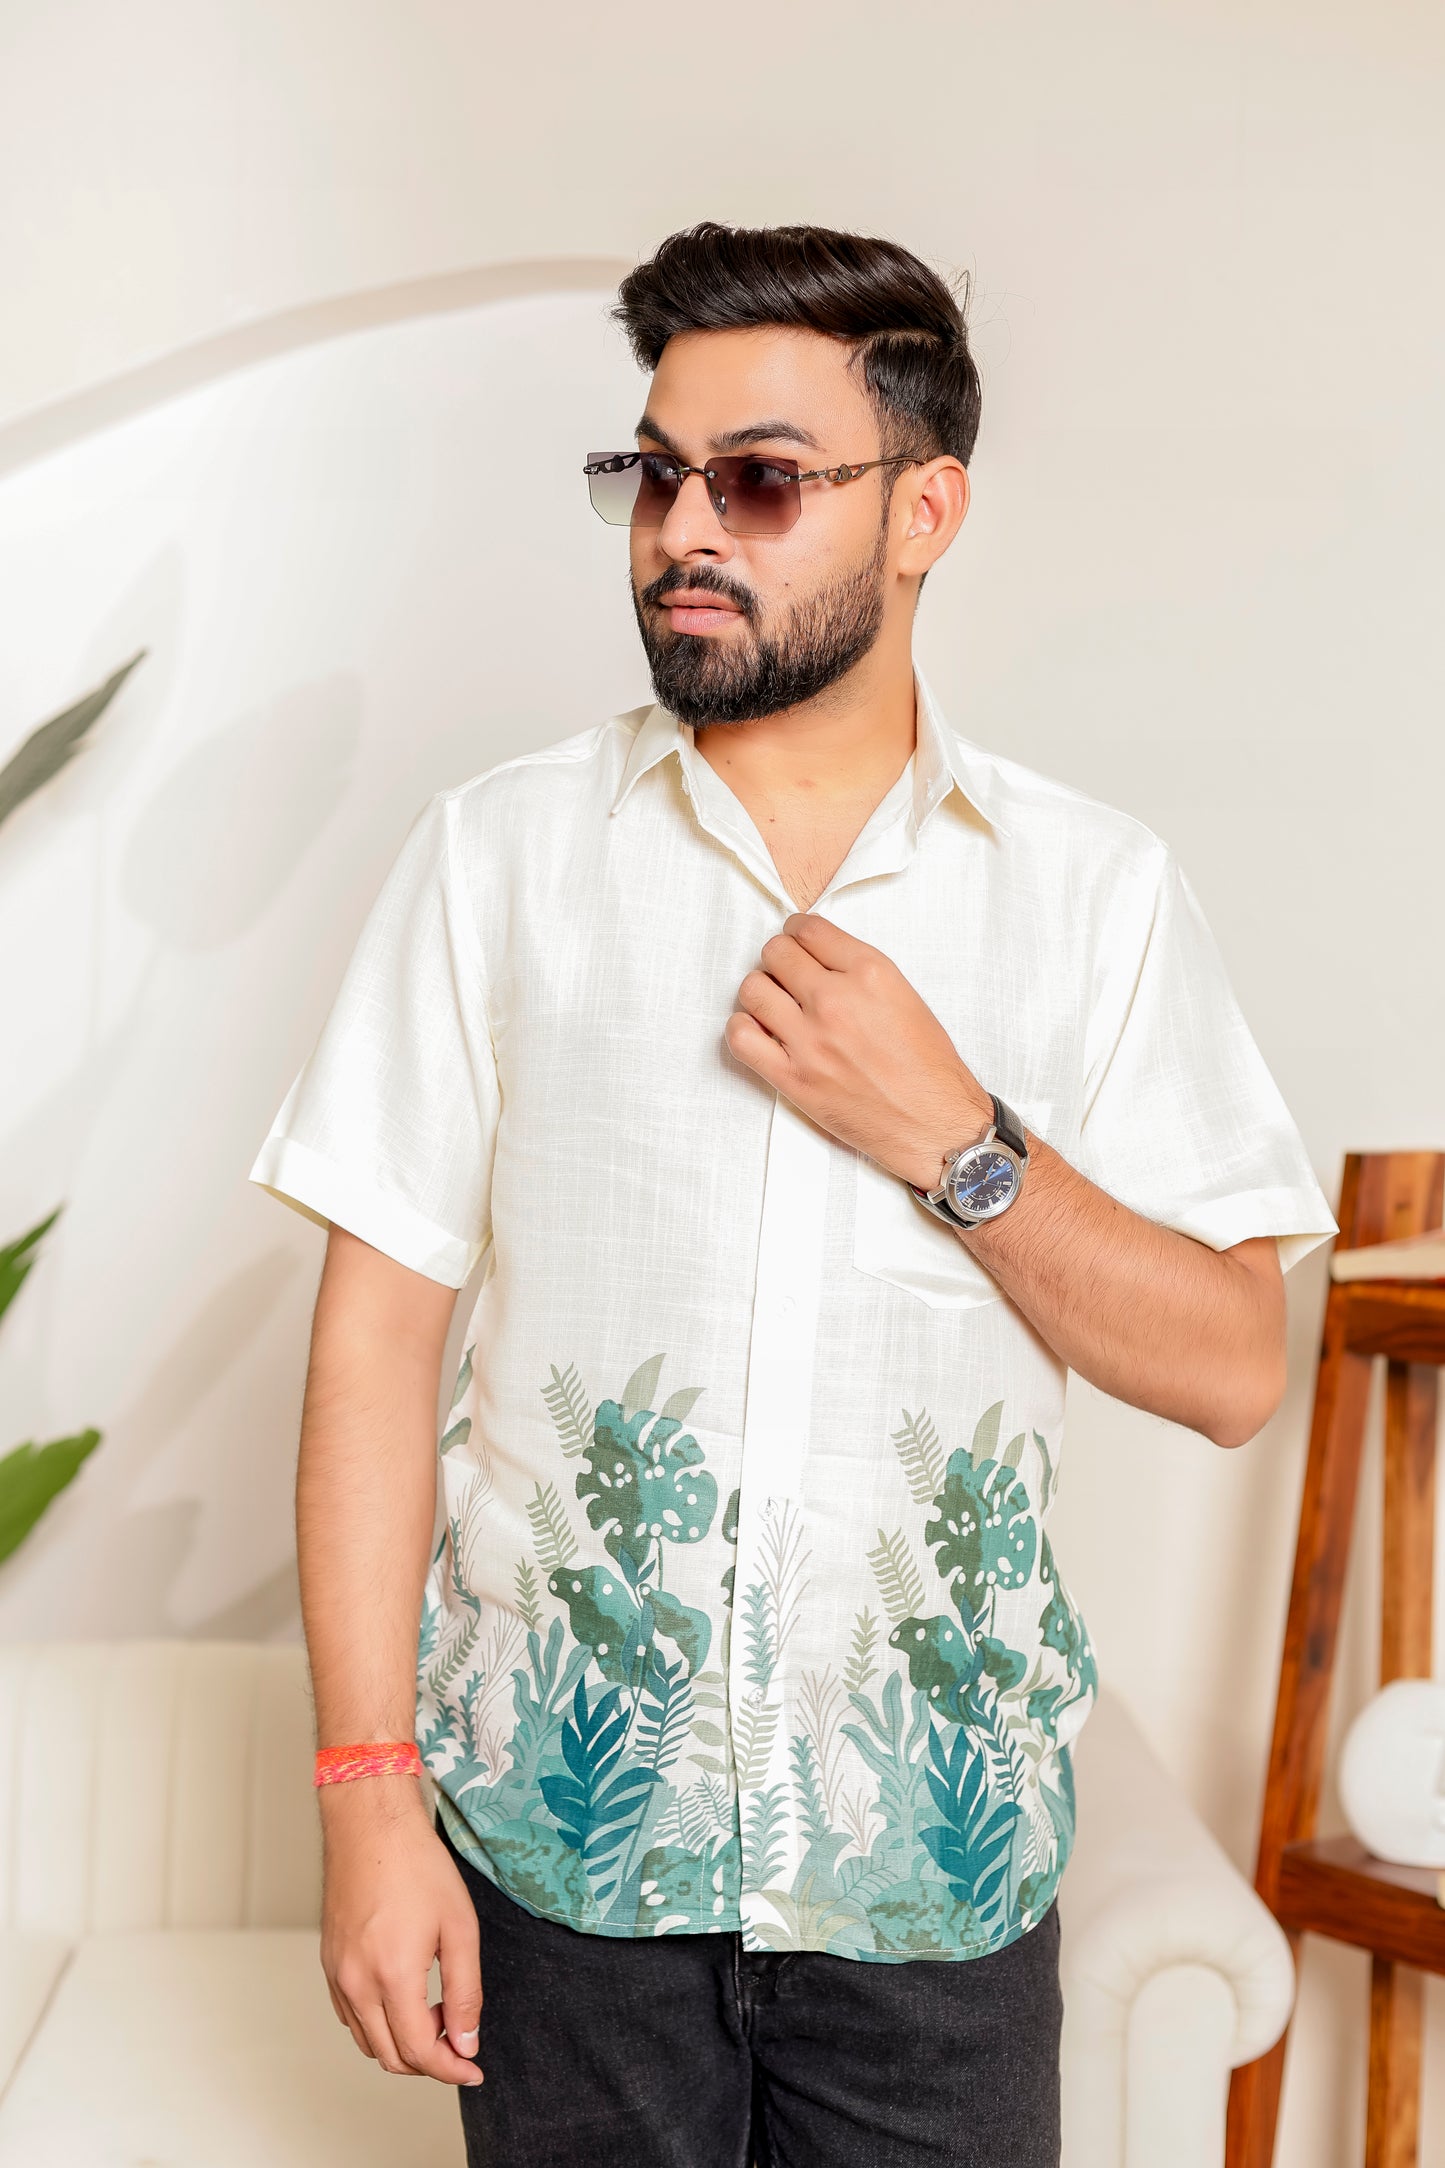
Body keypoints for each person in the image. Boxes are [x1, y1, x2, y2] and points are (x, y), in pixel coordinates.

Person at [248, 220, 1338, 2168]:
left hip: (938, 1891)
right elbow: (371, 1353)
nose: (683, 527)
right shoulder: (497, 860)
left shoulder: (1092, 898)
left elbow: (1235, 1363)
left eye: (757, 479)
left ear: (928, 510)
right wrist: (364, 1802)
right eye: (652, 472)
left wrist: (958, 1140)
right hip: (562, 1890)